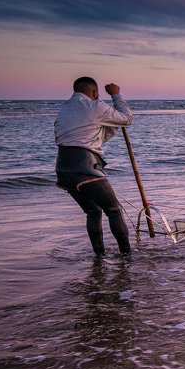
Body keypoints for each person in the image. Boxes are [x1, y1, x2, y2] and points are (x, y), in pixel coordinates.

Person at [54, 77, 133, 257]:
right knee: (113, 210)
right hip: (85, 168)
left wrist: (114, 124)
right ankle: (127, 256)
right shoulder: (95, 106)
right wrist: (116, 95)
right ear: (95, 93)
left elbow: (91, 136)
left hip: (63, 170)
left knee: (93, 211)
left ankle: (99, 257)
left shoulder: (64, 108)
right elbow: (127, 118)